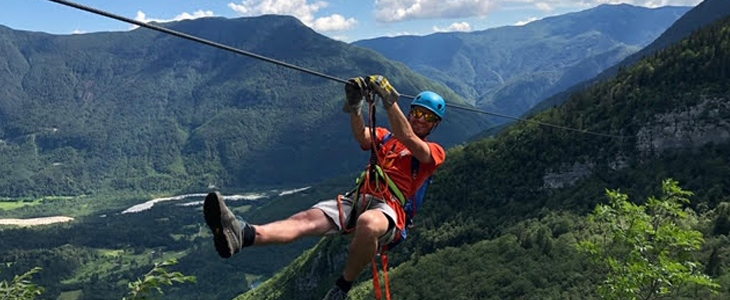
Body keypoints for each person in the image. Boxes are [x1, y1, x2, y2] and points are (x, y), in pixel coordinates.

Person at [203, 75, 446, 300]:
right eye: (417, 113)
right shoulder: (385, 137)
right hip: (360, 196)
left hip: (390, 208)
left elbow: (410, 140)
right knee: (305, 220)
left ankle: (343, 285)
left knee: (368, 223)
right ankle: (243, 234)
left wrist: (389, 100)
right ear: (410, 111)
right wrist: (355, 106)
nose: (420, 119)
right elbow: (362, 136)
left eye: (429, 118)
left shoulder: (434, 153)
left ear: (435, 125)